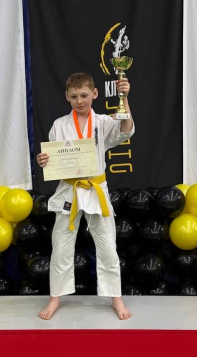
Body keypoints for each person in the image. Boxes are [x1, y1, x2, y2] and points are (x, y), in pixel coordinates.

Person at [35, 73, 134, 321]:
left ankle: (115, 297)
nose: (79, 101)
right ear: (67, 97)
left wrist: (124, 97)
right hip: (69, 190)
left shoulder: (103, 122)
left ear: (94, 94)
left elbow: (125, 130)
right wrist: (44, 160)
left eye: (84, 95)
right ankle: (56, 296)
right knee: (61, 246)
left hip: (96, 189)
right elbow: (54, 159)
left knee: (108, 246)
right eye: (74, 96)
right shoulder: (59, 125)